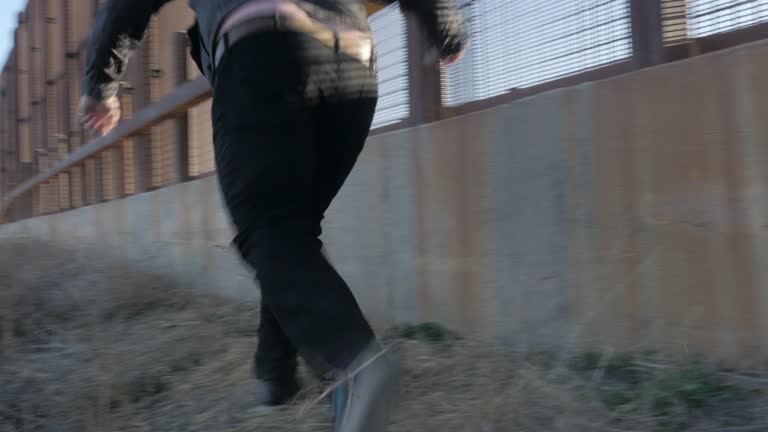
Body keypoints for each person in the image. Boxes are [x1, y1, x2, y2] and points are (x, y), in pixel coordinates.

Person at [78, 0, 466, 430]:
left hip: (264, 49)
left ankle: (355, 366)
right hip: (356, 69)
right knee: (290, 236)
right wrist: (444, 30)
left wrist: (100, 85)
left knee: (269, 232)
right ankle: (275, 377)